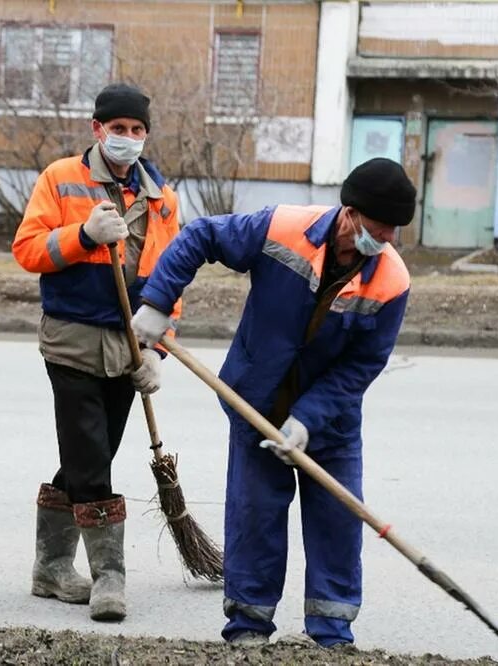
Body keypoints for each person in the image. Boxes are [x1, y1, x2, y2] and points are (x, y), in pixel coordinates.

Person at [129, 158, 416, 647]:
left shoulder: (391, 281)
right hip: (254, 404)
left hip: (329, 422)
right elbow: (201, 236)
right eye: (379, 226)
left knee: (337, 521)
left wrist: (307, 420)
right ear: (350, 214)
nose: (386, 238)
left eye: (394, 230)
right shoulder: (284, 227)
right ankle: (248, 626)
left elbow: (360, 368)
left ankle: (331, 632)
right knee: (255, 515)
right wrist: (158, 304)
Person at [12, 83, 182, 622]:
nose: (128, 139)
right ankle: (110, 577)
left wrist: (159, 348)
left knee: (90, 458)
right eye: (118, 129)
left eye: (137, 130)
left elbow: (169, 280)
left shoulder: (161, 198)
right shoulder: (61, 179)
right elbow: (27, 250)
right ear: (97, 129)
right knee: (90, 456)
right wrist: (83, 234)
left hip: (128, 346)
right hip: (70, 340)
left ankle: (50, 567)